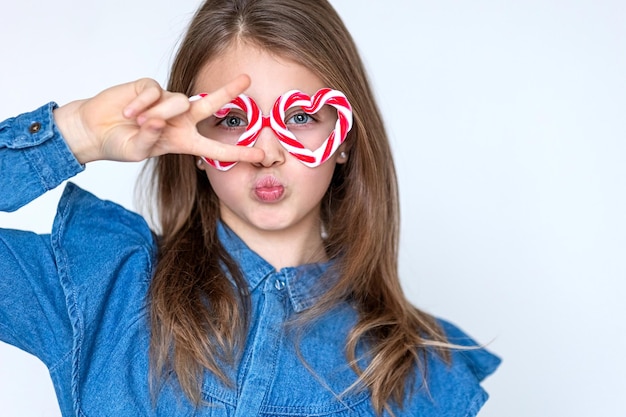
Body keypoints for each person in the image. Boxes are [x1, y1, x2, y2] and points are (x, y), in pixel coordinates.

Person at [0, 0, 500, 416]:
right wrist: (77, 134)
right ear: (194, 143)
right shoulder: (99, 288)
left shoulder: (421, 375)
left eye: (301, 116)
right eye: (232, 119)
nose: (265, 152)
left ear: (344, 137)